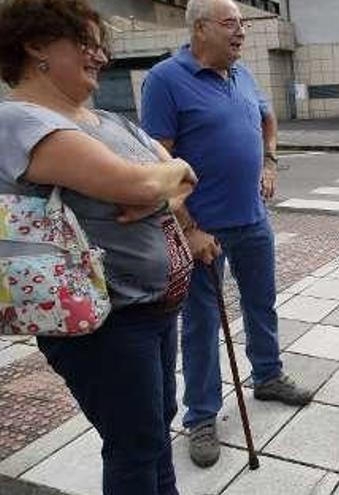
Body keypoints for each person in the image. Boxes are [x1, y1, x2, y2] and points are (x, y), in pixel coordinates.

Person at [0, 1, 198, 493]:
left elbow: (182, 181)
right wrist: (157, 185)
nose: (101, 57)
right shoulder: (18, 120)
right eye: (87, 43)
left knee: (156, 428)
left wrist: (159, 186)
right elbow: (145, 185)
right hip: (102, 322)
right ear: (37, 45)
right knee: (134, 442)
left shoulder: (111, 121)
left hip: (153, 307)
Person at [140, 0, 311, 469]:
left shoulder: (243, 74)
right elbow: (160, 163)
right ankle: (201, 416)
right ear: (199, 28)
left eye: (243, 24)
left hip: (253, 219)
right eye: (230, 24)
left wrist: (270, 162)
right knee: (200, 324)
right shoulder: (164, 80)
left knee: (262, 303)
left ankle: (268, 376)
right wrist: (189, 230)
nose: (241, 32)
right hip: (202, 229)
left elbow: (266, 119)